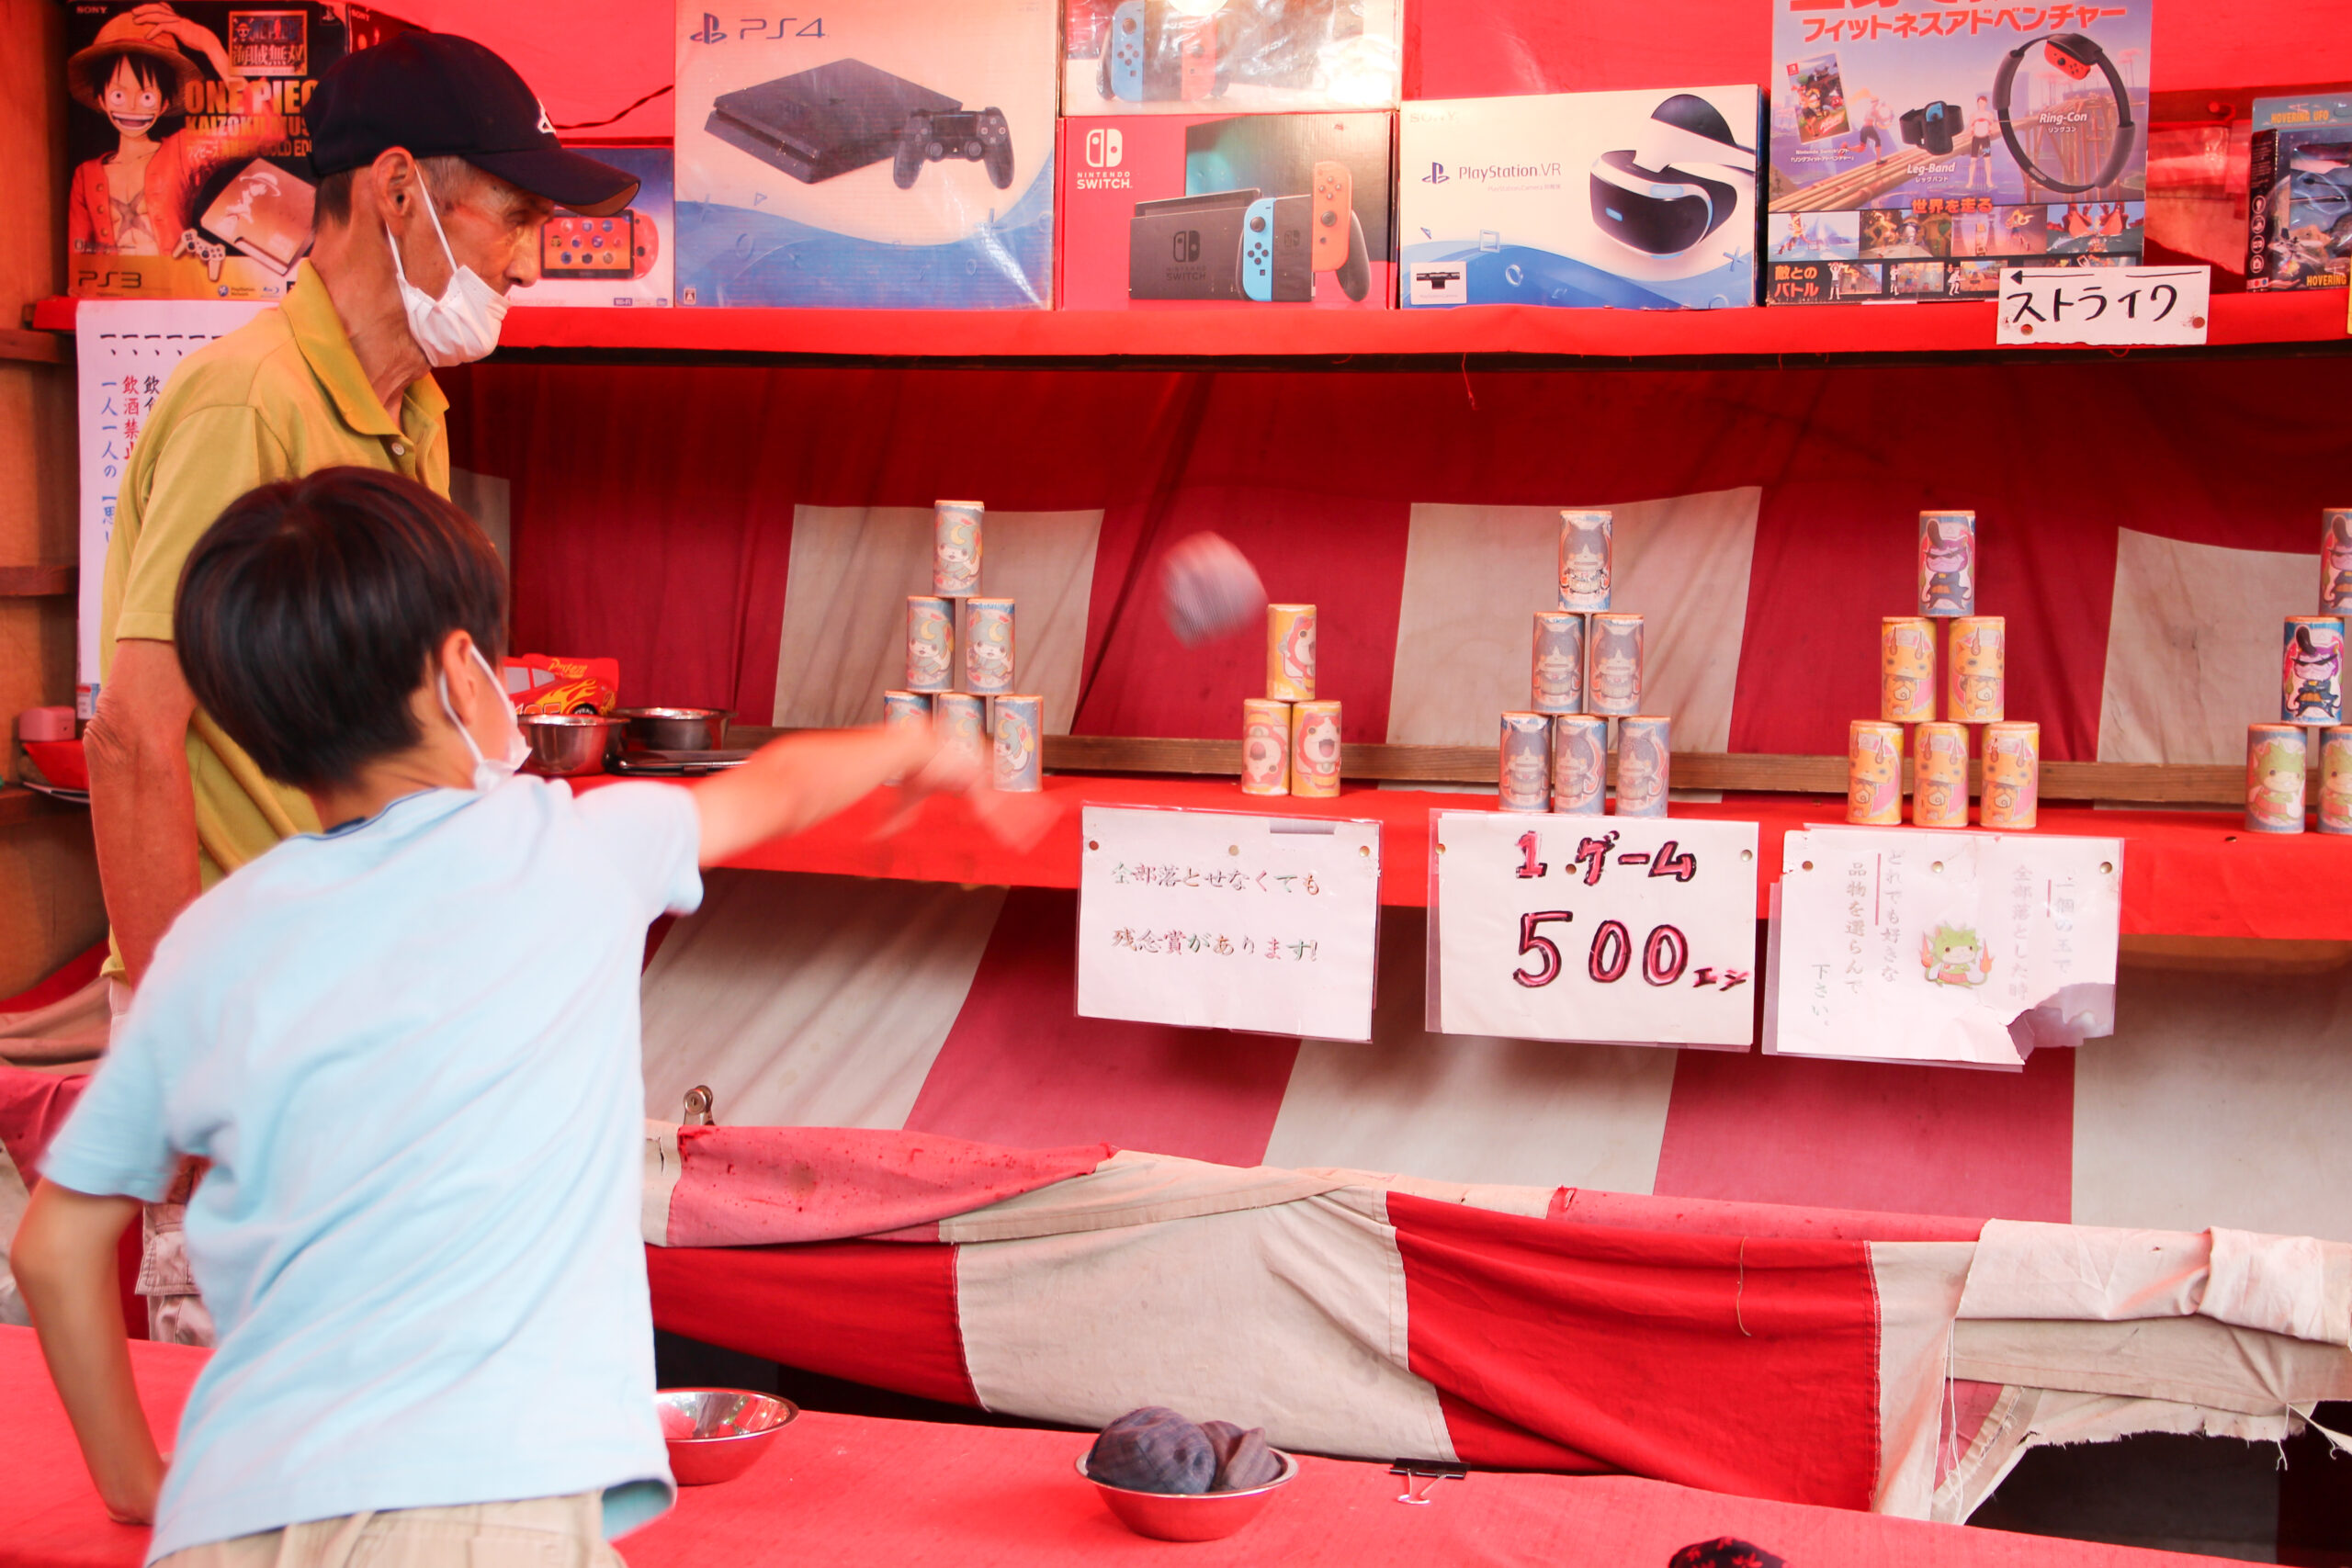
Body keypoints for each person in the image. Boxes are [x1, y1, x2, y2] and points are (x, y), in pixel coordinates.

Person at [11, 468, 1008, 1563]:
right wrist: (918, 746)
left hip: (229, 1516)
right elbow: (779, 786)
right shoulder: (574, 848)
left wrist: (135, 1485)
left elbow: (55, 1249)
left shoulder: (209, 942)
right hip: (484, 1508)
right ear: (457, 672)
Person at [85, 30, 637, 1345]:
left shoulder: (414, 409)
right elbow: (130, 741)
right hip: (243, 1011)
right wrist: (181, 1058)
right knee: (269, 1429)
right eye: (511, 214)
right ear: (397, 189)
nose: (525, 254)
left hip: (366, 1001)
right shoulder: (247, 405)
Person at [66, 4, 281, 259]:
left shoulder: (182, 152)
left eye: (146, 96)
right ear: (101, 100)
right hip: (111, 294)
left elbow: (268, 131)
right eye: (118, 94)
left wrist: (208, 44)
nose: (132, 106)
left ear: (164, 103)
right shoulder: (85, 175)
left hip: (179, 292)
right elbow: (78, 259)